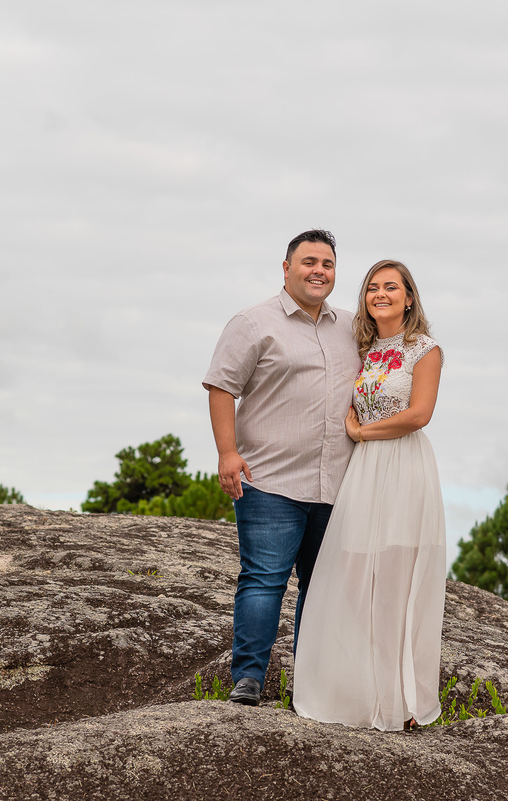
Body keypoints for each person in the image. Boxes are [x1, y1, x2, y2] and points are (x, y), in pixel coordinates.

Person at [202, 229, 362, 706]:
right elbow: (221, 387)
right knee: (263, 580)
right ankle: (248, 679)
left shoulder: (353, 328)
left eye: (327, 264)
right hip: (269, 479)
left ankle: (310, 688)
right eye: (309, 261)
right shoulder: (253, 323)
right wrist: (227, 453)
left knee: (324, 588)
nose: (319, 270)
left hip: (338, 483)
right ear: (287, 267)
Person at [292, 259, 445, 731]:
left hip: (403, 468)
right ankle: (359, 692)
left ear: (409, 297)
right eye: (373, 288)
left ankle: (403, 702)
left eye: (391, 288)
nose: (381, 294)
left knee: (398, 581)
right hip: (362, 474)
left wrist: (364, 432)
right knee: (357, 577)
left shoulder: (426, 349)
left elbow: (419, 415)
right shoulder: (365, 349)